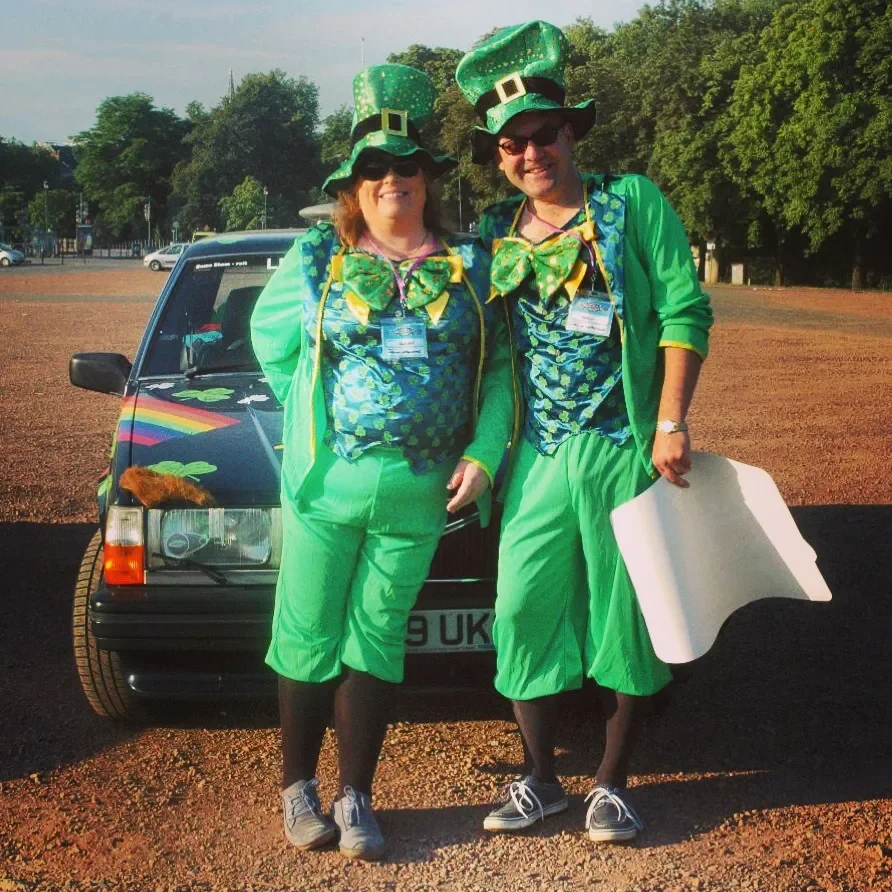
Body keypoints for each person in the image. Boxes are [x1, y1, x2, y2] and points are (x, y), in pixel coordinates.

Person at [250, 63, 515, 861]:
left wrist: (483, 448)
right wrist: (308, 420)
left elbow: (500, 368)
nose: (391, 178)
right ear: (353, 185)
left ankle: (356, 792)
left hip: (419, 489)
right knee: (306, 633)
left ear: (428, 180)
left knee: (376, 637)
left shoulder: (471, 266)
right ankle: (298, 786)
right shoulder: (315, 261)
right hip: (326, 485)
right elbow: (274, 343)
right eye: (373, 168)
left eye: (406, 167)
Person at [455, 21, 713, 843]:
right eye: (511, 144)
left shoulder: (631, 203)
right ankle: (540, 779)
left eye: (542, 135)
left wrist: (670, 418)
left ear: (572, 132)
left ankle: (610, 782)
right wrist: (486, 456)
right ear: (498, 156)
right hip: (537, 456)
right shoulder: (496, 230)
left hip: (619, 447)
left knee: (624, 616)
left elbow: (683, 308)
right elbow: (489, 358)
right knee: (525, 609)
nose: (529, 154)